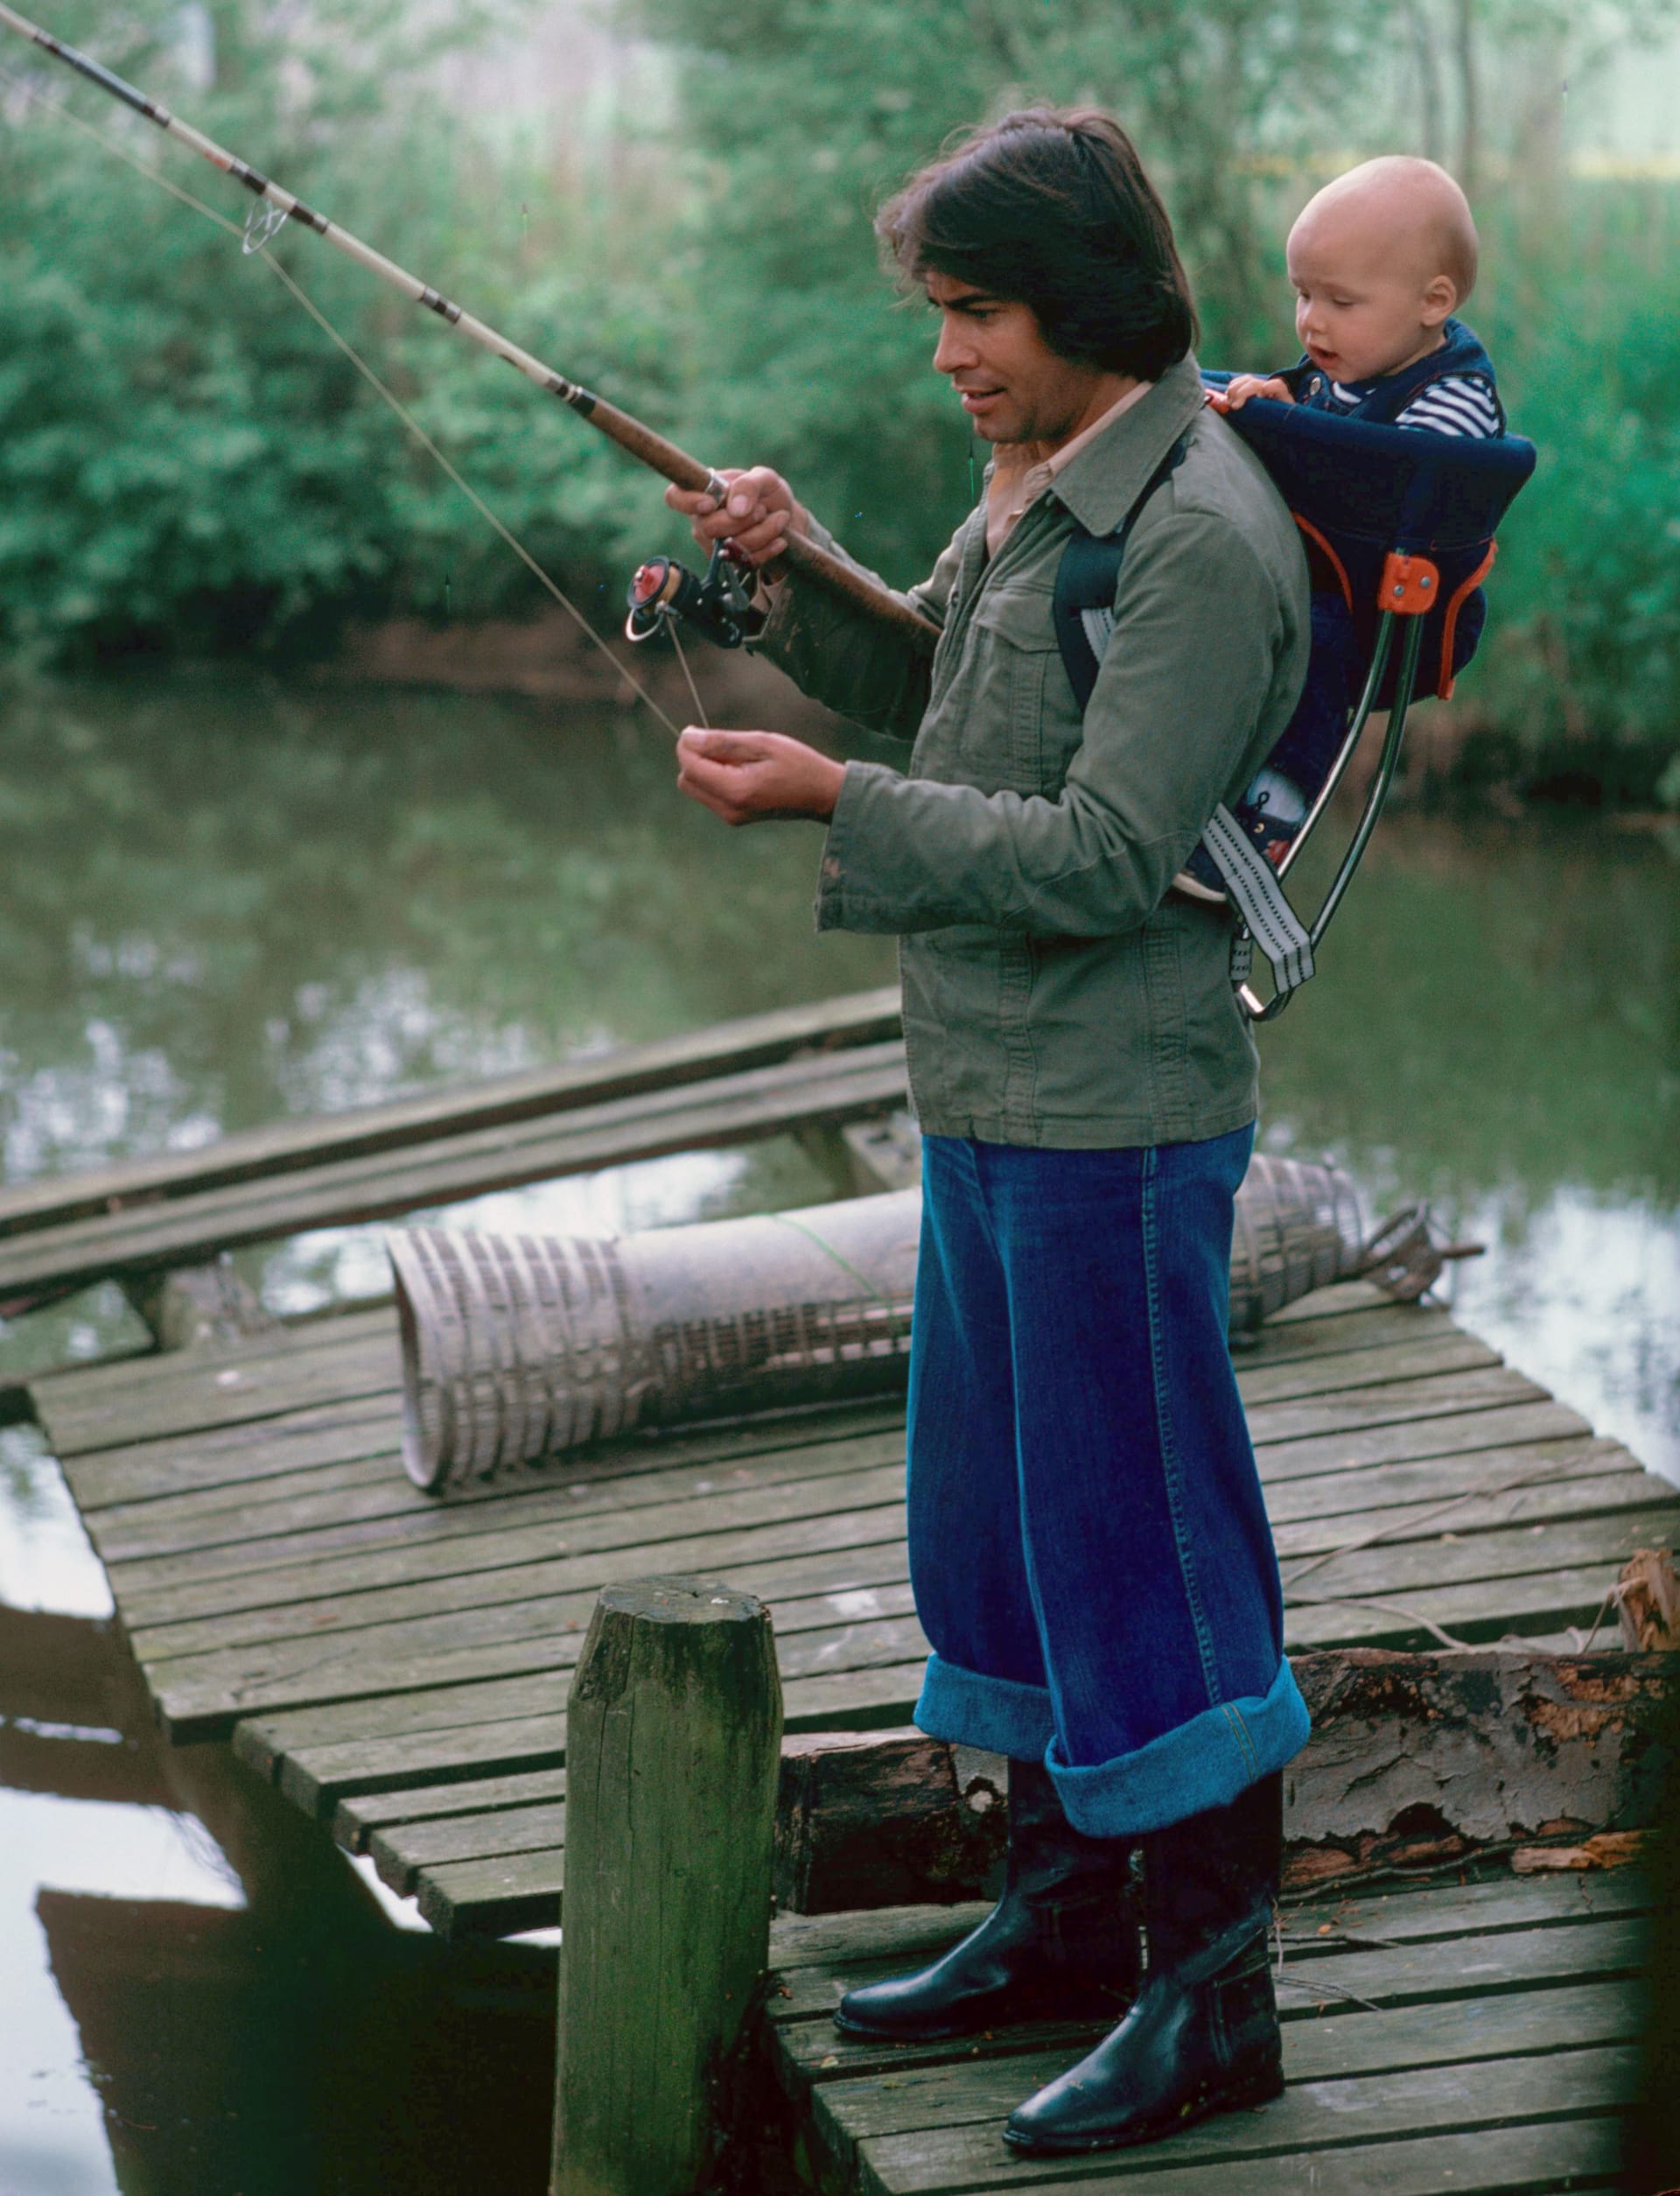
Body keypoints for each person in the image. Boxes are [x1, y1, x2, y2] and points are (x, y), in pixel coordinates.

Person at [669, 108, 1312, 2156]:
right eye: (938, 312)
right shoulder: (1043, 483)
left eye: (977, 312)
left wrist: (826, 809)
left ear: (1087, 300)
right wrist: (783, 583)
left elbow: (1114, 850)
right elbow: (941, 686)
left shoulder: (1202, 528)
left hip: (1115, 1121)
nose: (946, 350)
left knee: (1149, 1551)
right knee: (1014, 1533)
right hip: (989, 1098)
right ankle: (1056, 1922)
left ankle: (1217, 1997)